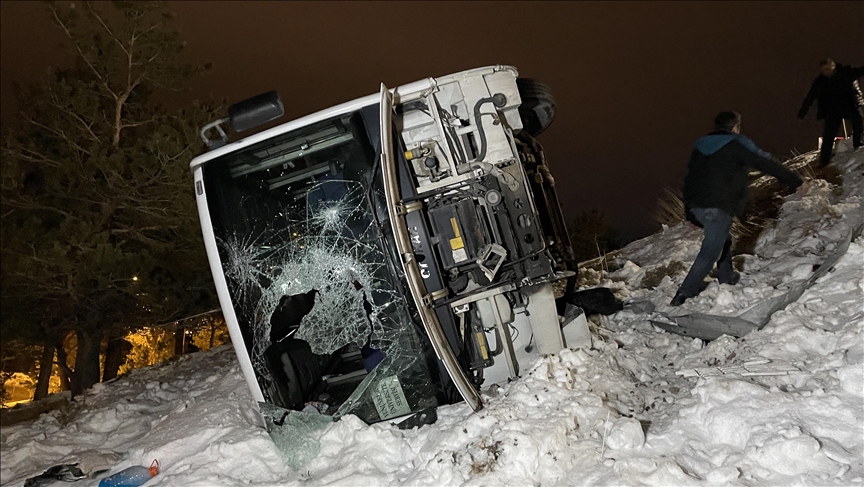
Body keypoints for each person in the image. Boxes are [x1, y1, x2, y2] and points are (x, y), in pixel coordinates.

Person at [670, 111, 807, 307]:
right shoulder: (737, 143)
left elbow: (690, 179)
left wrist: (690, 213)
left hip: (697, 205)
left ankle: (726, 276)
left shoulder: (700, 146)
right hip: (720, 205)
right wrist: (796, 181)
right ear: (735, 127)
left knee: (723, 238)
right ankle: (684, 292)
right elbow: (764, 162)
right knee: (710, 251)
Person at [797, 58, 864, 166]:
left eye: (828, 69)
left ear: (833, 66)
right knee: (829, 135)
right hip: (832, 110)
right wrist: (802, 113)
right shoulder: (820, 81)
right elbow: (810, 97)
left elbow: (860, 71)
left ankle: (858, 143)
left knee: (858, 123)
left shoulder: (845, 71)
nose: (826, 72)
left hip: (849, 105)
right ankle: (824, 161)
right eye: (824, 71)